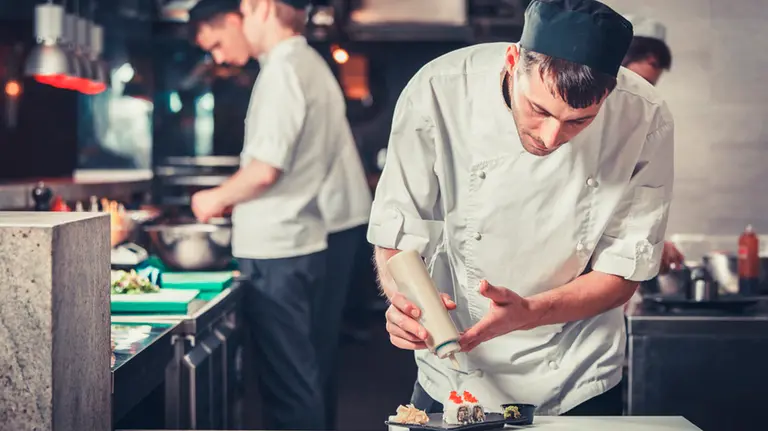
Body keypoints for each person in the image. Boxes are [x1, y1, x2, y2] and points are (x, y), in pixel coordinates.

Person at [368, 0, 673, 417]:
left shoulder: (645, 116)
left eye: (578, 121)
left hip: (577, 371)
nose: (550, 137)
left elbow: (623, 272)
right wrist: (404, 304)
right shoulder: (438, 89)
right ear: (513, 61)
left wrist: (529, 312)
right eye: (540, 110)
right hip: (455, 370)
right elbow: (396, 235)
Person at [189, 0, 371, 429]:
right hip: (302, 238)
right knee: (306, 377)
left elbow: (265, 169)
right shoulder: (307, 63)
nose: (218, 56)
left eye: (216, 43)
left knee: (288, 386)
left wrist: (212, 199)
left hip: (278, 248)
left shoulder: (282, 69)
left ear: (256, 8)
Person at [622, 15, 684, 274]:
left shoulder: (643, 121)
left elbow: (634, 194)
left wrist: (653, 241)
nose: (643, 96)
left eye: (650, 87)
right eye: (639, 84)